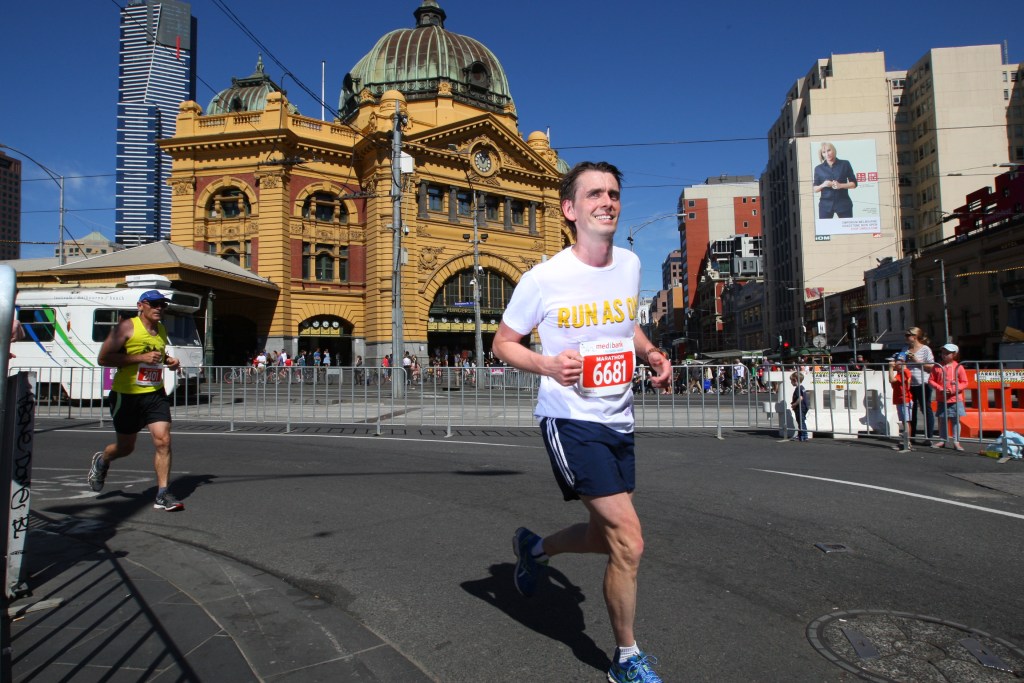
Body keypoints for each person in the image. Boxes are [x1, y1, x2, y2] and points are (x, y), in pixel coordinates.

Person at [492, 161, 671, 683]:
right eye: (594, 194)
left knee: (603, 535)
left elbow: (627, 324)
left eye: (613, 193)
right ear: (570, 209)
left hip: (619, 417)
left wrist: (651, 353)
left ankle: (535, 549)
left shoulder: (631, 265)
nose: (607, 201)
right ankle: (626, 659)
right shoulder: (543, 278)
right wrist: (547, 364)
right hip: (570, 419)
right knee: (629, 541)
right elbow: (503, 344)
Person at [87, 290, 184, 511]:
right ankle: (102, 460)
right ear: (141, 305)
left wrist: (170, 360)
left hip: (155, 393)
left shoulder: (160, 329)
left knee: (163, 441)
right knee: (125, 448)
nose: (159, 308)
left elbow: (156, 354)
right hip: (127, 395)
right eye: (154, 304)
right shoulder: (126, 327)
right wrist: (140, 358)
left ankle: (162, 494)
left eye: (163, 305)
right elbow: (103, 358)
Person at [929, 343, 968, 451]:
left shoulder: (958, 367)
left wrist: (953, 390)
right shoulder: (937, 366)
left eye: (947, 353)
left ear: (954, 354)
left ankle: (956, 441)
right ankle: (942, 439)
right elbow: (931, 380)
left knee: (955, 420)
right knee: (942, 420)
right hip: (942, 399)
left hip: (955, 399)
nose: (944, 355)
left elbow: (965, 382)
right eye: (943, 353)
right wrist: (939, 388)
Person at [903, 327, 935, 445]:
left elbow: (931, 366)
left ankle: (929, 437)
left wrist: (916, 360)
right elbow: (900, 363)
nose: (906, 337)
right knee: (911, 410)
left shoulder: (925, 349)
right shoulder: (905, 349)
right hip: (909, 383)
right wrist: (902, 361)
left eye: (908, 335)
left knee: (926, 409)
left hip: (923, 383)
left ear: (915, 336)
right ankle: (911, 437)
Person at [813, 142, 858, 219]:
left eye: (829, 150)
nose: (827, 154)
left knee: (846, 226)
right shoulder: (818, 168)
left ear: (833, 150)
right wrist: (823, 185)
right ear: (822, 154)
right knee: (825, 227)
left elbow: (854, 184)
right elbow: (815, 189)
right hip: (825, 205)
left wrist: (840, 185)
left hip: (843, 203)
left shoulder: (845, 164)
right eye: (824, 152)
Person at [888, 352, 914, 451]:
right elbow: (893, 383)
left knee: (906, 421)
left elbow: (892, 380)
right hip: (900, 399)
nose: (894, 363)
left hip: (905, 399)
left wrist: (890, 368)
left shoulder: (905, 372)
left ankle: (908, 442)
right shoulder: (900, 372)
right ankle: (906, 441)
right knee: (904, 420)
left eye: (895, 361)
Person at [789, 371, 809, 441]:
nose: (791, 382)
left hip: (800, 407)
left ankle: (803, 435)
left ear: (795, 380)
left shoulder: (798, 388)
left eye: (791, 381)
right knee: (801, 421)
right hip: (804, 407)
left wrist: (794, 404)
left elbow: (800, 398)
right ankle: (801, 435)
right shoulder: (802, 387)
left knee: (801, 421)